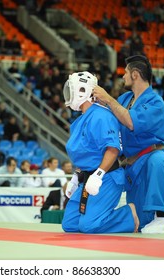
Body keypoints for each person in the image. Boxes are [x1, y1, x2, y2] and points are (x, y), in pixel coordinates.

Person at [92, 55, 164, 233]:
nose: (123, 77)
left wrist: (108, 98)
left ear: (135, 74)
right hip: (132, 164)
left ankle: (162, 217)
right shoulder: (125, 99)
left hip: (153, 156)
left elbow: (130, 121)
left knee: (157, 161)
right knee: (142, 223)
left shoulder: (156, 102)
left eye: (125, 73)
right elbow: (111, 117)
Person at [61, 71, 139, 234]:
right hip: (86, 179)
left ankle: (129, 215)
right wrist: (76, 177)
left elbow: (112, 149)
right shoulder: (79, 121)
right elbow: (87, 155)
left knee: (89, 226)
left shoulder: (102, 116)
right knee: (69, 224)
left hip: (106, 178)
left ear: (82, 90)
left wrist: (98, 175)